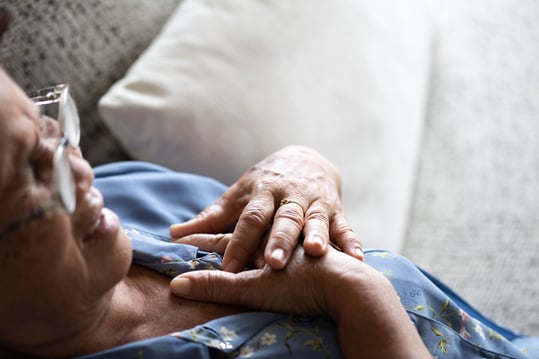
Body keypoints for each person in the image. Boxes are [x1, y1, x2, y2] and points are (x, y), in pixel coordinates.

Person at [0, 20, 538, 359]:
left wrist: (302, 166)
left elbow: (285, 201)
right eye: (32, 174)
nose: (82, 170)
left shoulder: (121, 199)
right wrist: (355, 296)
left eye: (50, 126)